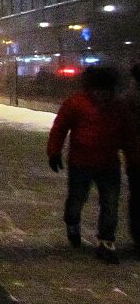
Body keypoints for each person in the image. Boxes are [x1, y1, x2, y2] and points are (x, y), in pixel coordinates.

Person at [47, 66, 125, 264]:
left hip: (109, 164)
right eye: (98, 91)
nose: (102, 96)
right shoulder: (76, 104)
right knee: (77, 199)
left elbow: (128, 135)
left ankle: (106, 241)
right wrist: (54, 152)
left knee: (110, 203)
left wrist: (134, 159)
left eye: (106, 91)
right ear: (91, 88)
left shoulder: (117, 107)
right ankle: (72, 221)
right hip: (81, 163)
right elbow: (60, 127)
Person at [123, 62, 140, 257]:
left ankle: (138, 236)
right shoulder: (129, 98)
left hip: (135, 157)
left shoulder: (127, 98)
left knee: (137, 196)